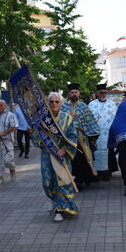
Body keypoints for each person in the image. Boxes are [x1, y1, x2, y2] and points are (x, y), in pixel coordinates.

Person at [31, 92, 78, 222]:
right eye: (51, 102)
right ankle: (53, 199)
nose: (54, 104)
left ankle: (60, 209)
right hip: (47, 155)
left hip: (62, 156)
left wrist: (65, 149)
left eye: (56, 102)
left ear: (61, 103)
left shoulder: (67, 118)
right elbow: (35, 136)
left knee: (62, 182)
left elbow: (73, 136)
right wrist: (40, 140)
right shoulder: (42, 119)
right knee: (47, 182)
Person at [61, 83, 100, 190]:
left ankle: (83, 180)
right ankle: (73, 180)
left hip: (82, 138)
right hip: (69, 139)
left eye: (76, 92)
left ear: (79, 93)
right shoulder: (63, 107)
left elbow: (91, 121)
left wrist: (92, 137)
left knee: (82, 160)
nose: (74, 94)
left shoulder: (84, 107)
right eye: (72, 92)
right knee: (72, 160)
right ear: (69, 94)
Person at [88, 84, 118, 181]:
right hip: (95, 135)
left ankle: (107, 172)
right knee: (96, 153)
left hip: (108, 134)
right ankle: (97, 173)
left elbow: (116, 118)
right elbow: (88, 119)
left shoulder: (112, 104)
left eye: (105, 92)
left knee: (108, 153)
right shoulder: (92, 104)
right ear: (97, 93)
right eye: (101, 92)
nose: (103, 94)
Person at [0, 100, 18, 186]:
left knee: (8, 160)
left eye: (1, 105)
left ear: (5, 106)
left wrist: (3, 133)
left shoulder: (11, 115)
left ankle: (12, 169)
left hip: (7, 141)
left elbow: (14, 126)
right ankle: (0, 178)